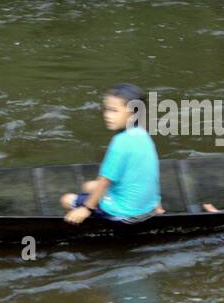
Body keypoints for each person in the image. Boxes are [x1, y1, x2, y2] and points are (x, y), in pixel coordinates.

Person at [62, 84, 161, 224]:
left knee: (66, 199)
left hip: (124, 214)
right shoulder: (142, 134)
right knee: (88, 186)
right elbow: (152, 172)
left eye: (114, 111)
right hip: (147, 208)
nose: (108, 116)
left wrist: (86, 209)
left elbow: (104, 181)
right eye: (107, 110)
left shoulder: (120, 142)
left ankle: (84, 223)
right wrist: (157, 204)